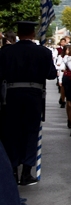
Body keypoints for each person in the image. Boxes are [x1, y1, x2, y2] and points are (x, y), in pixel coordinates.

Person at [0, 22, 58, 186]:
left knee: (11, 132)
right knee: (31, 132)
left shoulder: (6, 52)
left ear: (18, 33)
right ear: (33, 34)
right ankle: (26, 172)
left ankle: (12, 169)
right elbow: (51, 75)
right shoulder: (43, 52)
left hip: (11, 95)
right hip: (34, 95)